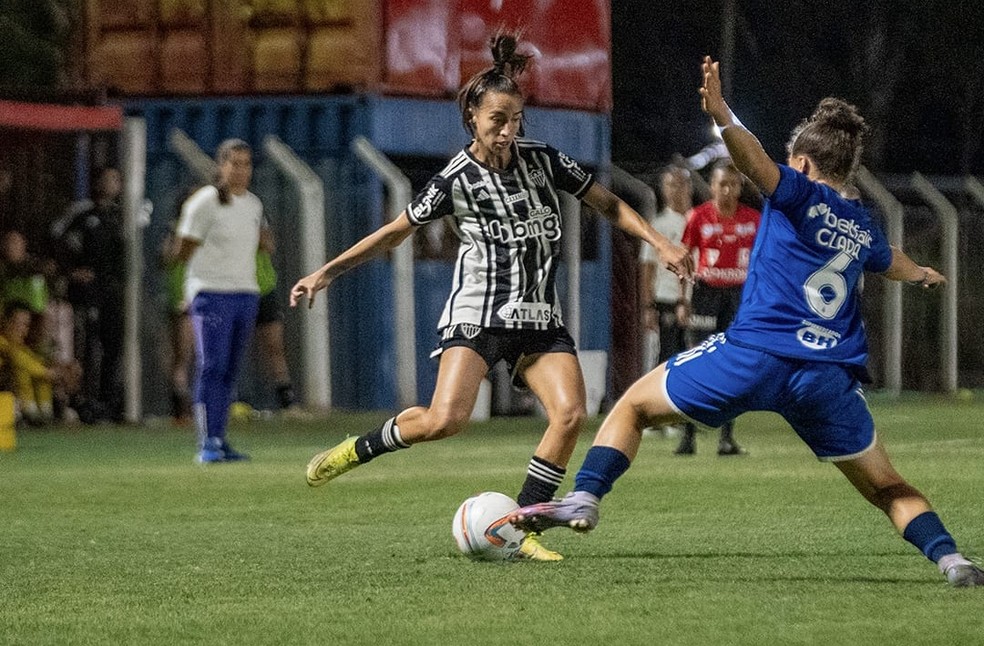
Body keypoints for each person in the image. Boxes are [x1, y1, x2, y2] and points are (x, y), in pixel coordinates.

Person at [508, 56, 984, 587]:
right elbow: (890, 259)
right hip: (826, 377)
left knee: (634, 406)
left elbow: (753, 161)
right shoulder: (863, 227)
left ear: (801, 165)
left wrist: (723, 115)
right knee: (887, 487)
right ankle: (952, 561)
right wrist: (919, 272)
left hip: (755, 355)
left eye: (787, 162)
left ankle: (586, 498)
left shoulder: (798, 193)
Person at [291, 33, 692, 562]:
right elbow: (395, 232)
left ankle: (523, 527)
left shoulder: (543, 160)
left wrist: (660, 240)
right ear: (472, 119)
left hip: (540, 317)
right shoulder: (454, 180)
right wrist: (327, 271)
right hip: (479, 314)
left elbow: (609, 203)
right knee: (444, 421)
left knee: (570, 413)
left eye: (516, 120)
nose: (507, 131)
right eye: (496, 120)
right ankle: (355, 449)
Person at [174, 139, 265, 463]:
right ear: (220, 166)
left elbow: (259, 244)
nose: (241, 171)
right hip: (211, 293)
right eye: (234, 163)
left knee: (229, 369)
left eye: (246, 164)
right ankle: (207, 441)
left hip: (245, 293)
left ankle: (220, 436)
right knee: (212, 365)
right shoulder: (205, 202)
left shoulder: (253, 204)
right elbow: (183, 249)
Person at [673, 159, 760, 456]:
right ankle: (688, 437)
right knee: (695, 364)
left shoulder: (754, 219)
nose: (727, 190)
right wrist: (682, 300)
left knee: (734, 367)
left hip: (738, 297)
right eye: (721, 184)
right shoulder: (698, 216)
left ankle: (726, 438)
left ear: (739, 187)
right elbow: (685, 259)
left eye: (732, 184)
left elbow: (763, 263)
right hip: (705, 294)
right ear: (711, 186)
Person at [55, 166, 126, 423]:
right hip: (87, 294)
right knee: (87, 347)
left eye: (116, 179)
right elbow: (58, 241)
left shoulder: (121, 216)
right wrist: (72, 270)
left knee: (112, 347)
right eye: (108, 179)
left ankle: (107, 403)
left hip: (111, 293)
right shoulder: (82, 214)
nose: (113, 184)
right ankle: (83, 401)